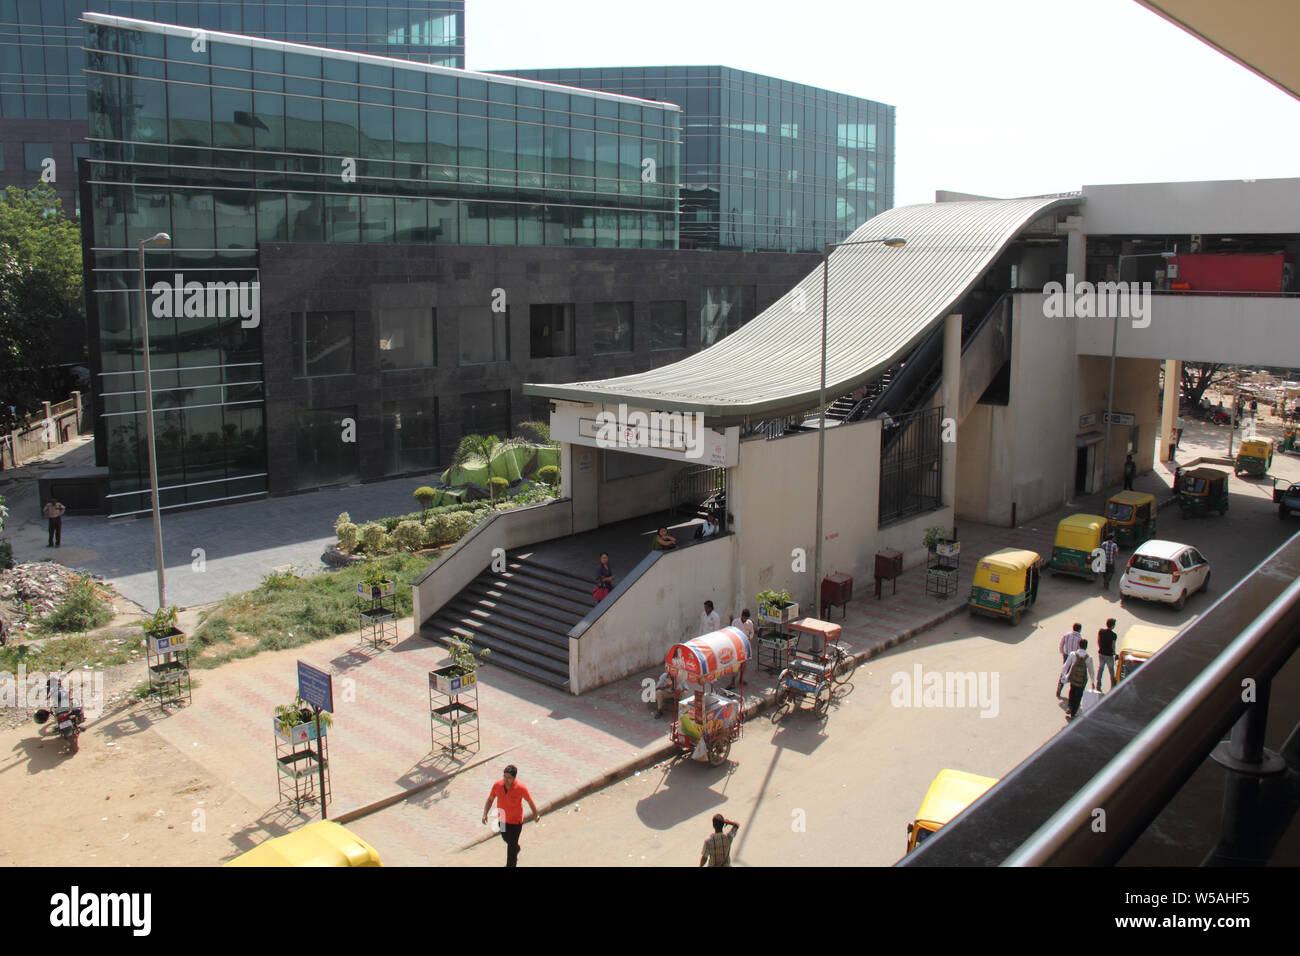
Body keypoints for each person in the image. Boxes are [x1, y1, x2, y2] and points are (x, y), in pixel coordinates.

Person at [482, 764, 539, 867]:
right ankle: (516, 848)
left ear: (514, 778)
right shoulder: (497, 785)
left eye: (509, 778)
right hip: (502, 820)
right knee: (506, 838)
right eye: (505, 776)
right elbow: (490, 799)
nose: (506, 780)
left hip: (516, 823)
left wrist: (535, 814)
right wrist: (485, 813)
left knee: (511, 850)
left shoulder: (521, 788)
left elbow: (530, 801)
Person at [1061, 639, 1095, 719]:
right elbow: (1091, 671)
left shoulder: (1073, 654)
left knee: (1072, 692)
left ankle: (1070, 707)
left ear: (1079, 645)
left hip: (1073, 678)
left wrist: (1064, 675)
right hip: (1082, 680)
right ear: (1086, 646)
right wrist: (1093, 682)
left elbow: (1066, 665)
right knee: (1078, 695)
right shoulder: (1089, 658)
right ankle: (1073, 712)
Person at [1056, 623, 1084, 698]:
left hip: (1066, 655)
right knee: (1073, 673)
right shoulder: (1080, 639)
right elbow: (1080, 650)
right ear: (1079, 629)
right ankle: (1072, 692)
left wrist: (1062, 652)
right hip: (1074, 657)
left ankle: (1060, 686)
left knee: (1064, 671)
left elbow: (1061, 644)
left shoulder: (1067, 635)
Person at [1096, 619, 1118, 692]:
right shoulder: (1113, 635)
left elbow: (1098, 641)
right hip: (1109, 655)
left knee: (1101, 669)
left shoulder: (1101, 631)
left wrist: (1100, 647)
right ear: (1112, 626)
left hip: (1101, 653)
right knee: (1111, 671)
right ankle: (1113, 686)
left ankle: (1098, 685)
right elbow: (1113, 646)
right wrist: (1114, 652)